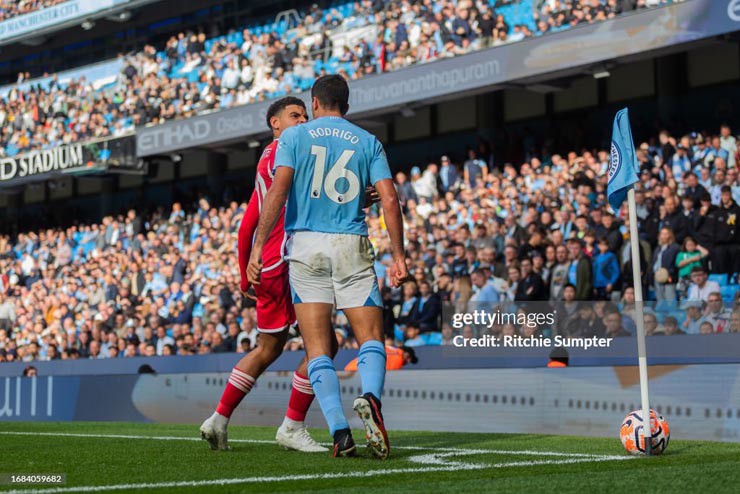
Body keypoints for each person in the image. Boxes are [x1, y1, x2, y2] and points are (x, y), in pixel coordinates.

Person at [248, 75, 408, 459]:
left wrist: (258, 246)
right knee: (370, 337)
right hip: (351, 242)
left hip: (305, 245)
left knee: (318, 346)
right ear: (346, 107)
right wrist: (399, 255)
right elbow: (389, 197)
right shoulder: (368, 141)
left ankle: (339, 431)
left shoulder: (294, 137)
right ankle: (370, 397)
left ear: (315, 104)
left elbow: (279, 190)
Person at [200, 97, 329, 453]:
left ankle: (218, 419)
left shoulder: (264, 160)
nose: (303, 120)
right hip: (289, 263)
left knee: (268, 348)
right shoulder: (286, 155)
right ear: (275, 123)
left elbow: (246, 227)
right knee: (324, 345)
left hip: (269, 267)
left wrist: (244, 277)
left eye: (305, 114)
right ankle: (292, 426)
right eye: (294, 115)